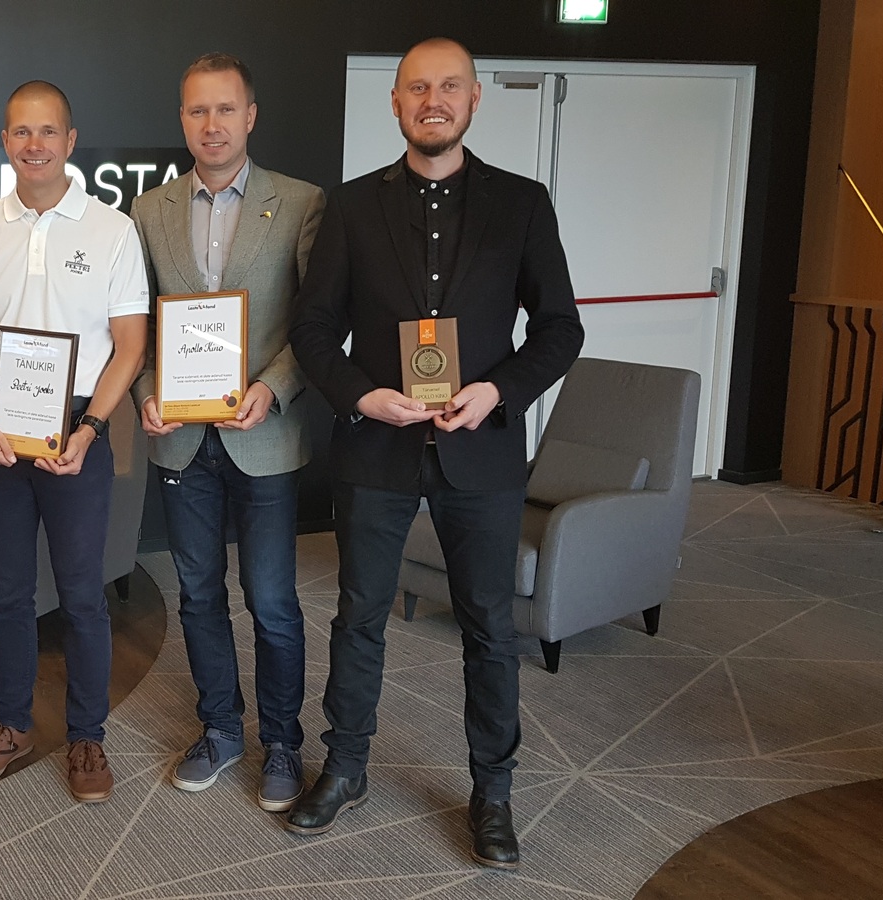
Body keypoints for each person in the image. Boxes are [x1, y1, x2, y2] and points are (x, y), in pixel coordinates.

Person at [286, 38, 583, 868]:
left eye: (449, 86)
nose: (433, 100)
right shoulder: (351, 207)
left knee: (489, 625)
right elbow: (313, 328)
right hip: (375, 447)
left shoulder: (522, 204)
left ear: (475, 99)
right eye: (417, 88)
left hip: (480, 450)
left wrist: (498, 391)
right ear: (396, 102)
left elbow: (560, 328)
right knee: (359, 618)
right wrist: (361, 396)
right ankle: (346, 768)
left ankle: (494, 791)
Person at [0, 81, 149, 804]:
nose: (35, 145)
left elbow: (130, 344)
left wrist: (92, 430)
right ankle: (12, 725)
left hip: (77, 432)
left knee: (83, 597)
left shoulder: (112, 229)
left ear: (70, 140)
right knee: (8, 593)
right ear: (6, 142)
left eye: (48, 131)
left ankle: (87, 735)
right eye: (21, 132)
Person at [130, 52, 324, 813]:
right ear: (182, 119)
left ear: (250, 116)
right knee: (198, 595)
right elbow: (140, 325)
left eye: (225, 109)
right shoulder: (149, 210)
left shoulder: (300, 203)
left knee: (271, 600)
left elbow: (315, 321)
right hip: (182, 438)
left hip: (263, 432)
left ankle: (282, 742)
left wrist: (273, 388)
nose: (211, 124)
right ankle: (218, 730)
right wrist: (146, 390)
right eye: (197, 110)